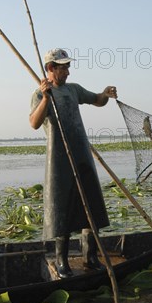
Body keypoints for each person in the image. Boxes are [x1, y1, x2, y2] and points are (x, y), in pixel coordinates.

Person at [30, 48, 118, 278]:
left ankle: (90, 258)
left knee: (90, 205)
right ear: (51, 69)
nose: (67, 71)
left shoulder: (73, 90)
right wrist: (46, 98)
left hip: (81, 154)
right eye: (63, 67)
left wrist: (105, 93)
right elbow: (34, 123)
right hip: (59, 159)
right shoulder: (41, 94)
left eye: (68, 66)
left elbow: (97, 100)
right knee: (62, 209)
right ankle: (62, 263)